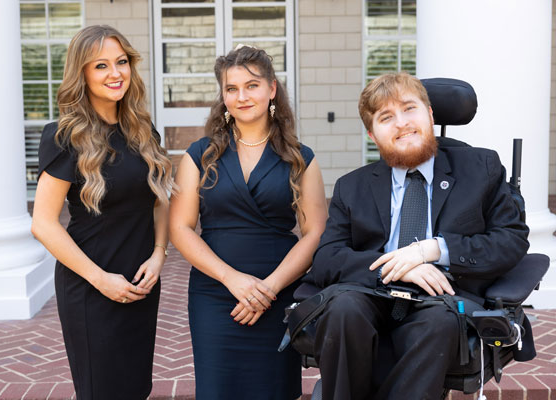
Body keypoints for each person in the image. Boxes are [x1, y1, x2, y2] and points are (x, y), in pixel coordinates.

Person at [302, 72, 530, 400]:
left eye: (410, 109)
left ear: (430, 115)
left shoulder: (481, 167)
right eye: (386, 117)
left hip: (444, 296)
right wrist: (396, 266)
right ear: (372, 133)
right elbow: (326, 258)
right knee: (342, 309)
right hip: (371, 292)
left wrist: (433, 249)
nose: (402, 123)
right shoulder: (352, 186)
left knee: (439, 321)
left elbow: (510, 239)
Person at [169, 45, 327, 399]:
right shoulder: (200, 154)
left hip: (279, 291)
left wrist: (267, 289)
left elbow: (314, 232)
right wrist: (232, 279)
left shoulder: (301, 159)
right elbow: (179, 228)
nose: (242, 96)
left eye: (252, 85)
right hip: (214, 294)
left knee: (272, 389)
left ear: (271, 89)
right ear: (223, 95)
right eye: (231, 88)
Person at [31, 25, 174, 400]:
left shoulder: (143, 132)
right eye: (101, 66)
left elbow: (160, 201)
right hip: (91, 285)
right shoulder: (63, 135)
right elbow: (43, 224)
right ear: (82, 73)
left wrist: (160, 254)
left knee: (135, 387)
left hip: (141, 282)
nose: (115, 73)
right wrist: (100, 279)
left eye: (121, 62)